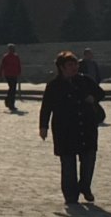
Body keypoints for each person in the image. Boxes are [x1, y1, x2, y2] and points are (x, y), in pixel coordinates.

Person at [39, 51, 106, 206]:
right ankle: (70, 195)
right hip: (65, 129)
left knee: (89, 159)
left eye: (75, 64)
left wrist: (92, 97)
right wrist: (43, 126)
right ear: (62, 67)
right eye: (70, 65)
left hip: (86, 126)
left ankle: (85, 186)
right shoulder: (54, 85)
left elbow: (101, 93)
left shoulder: (85, 80)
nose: (74, 67)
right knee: (68, 164)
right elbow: (46, 107)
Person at [0, 44, 23, 112]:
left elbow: (18, 65)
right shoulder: (6, 57)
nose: (13, 49)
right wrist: (0, 75)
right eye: (12, 48)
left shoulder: (16, 56)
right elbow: (2, 66)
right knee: (12, 88)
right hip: (8, 74)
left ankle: (9, 102)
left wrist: (19, 72)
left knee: (13, 89)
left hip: (14, 74)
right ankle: (10, 103)